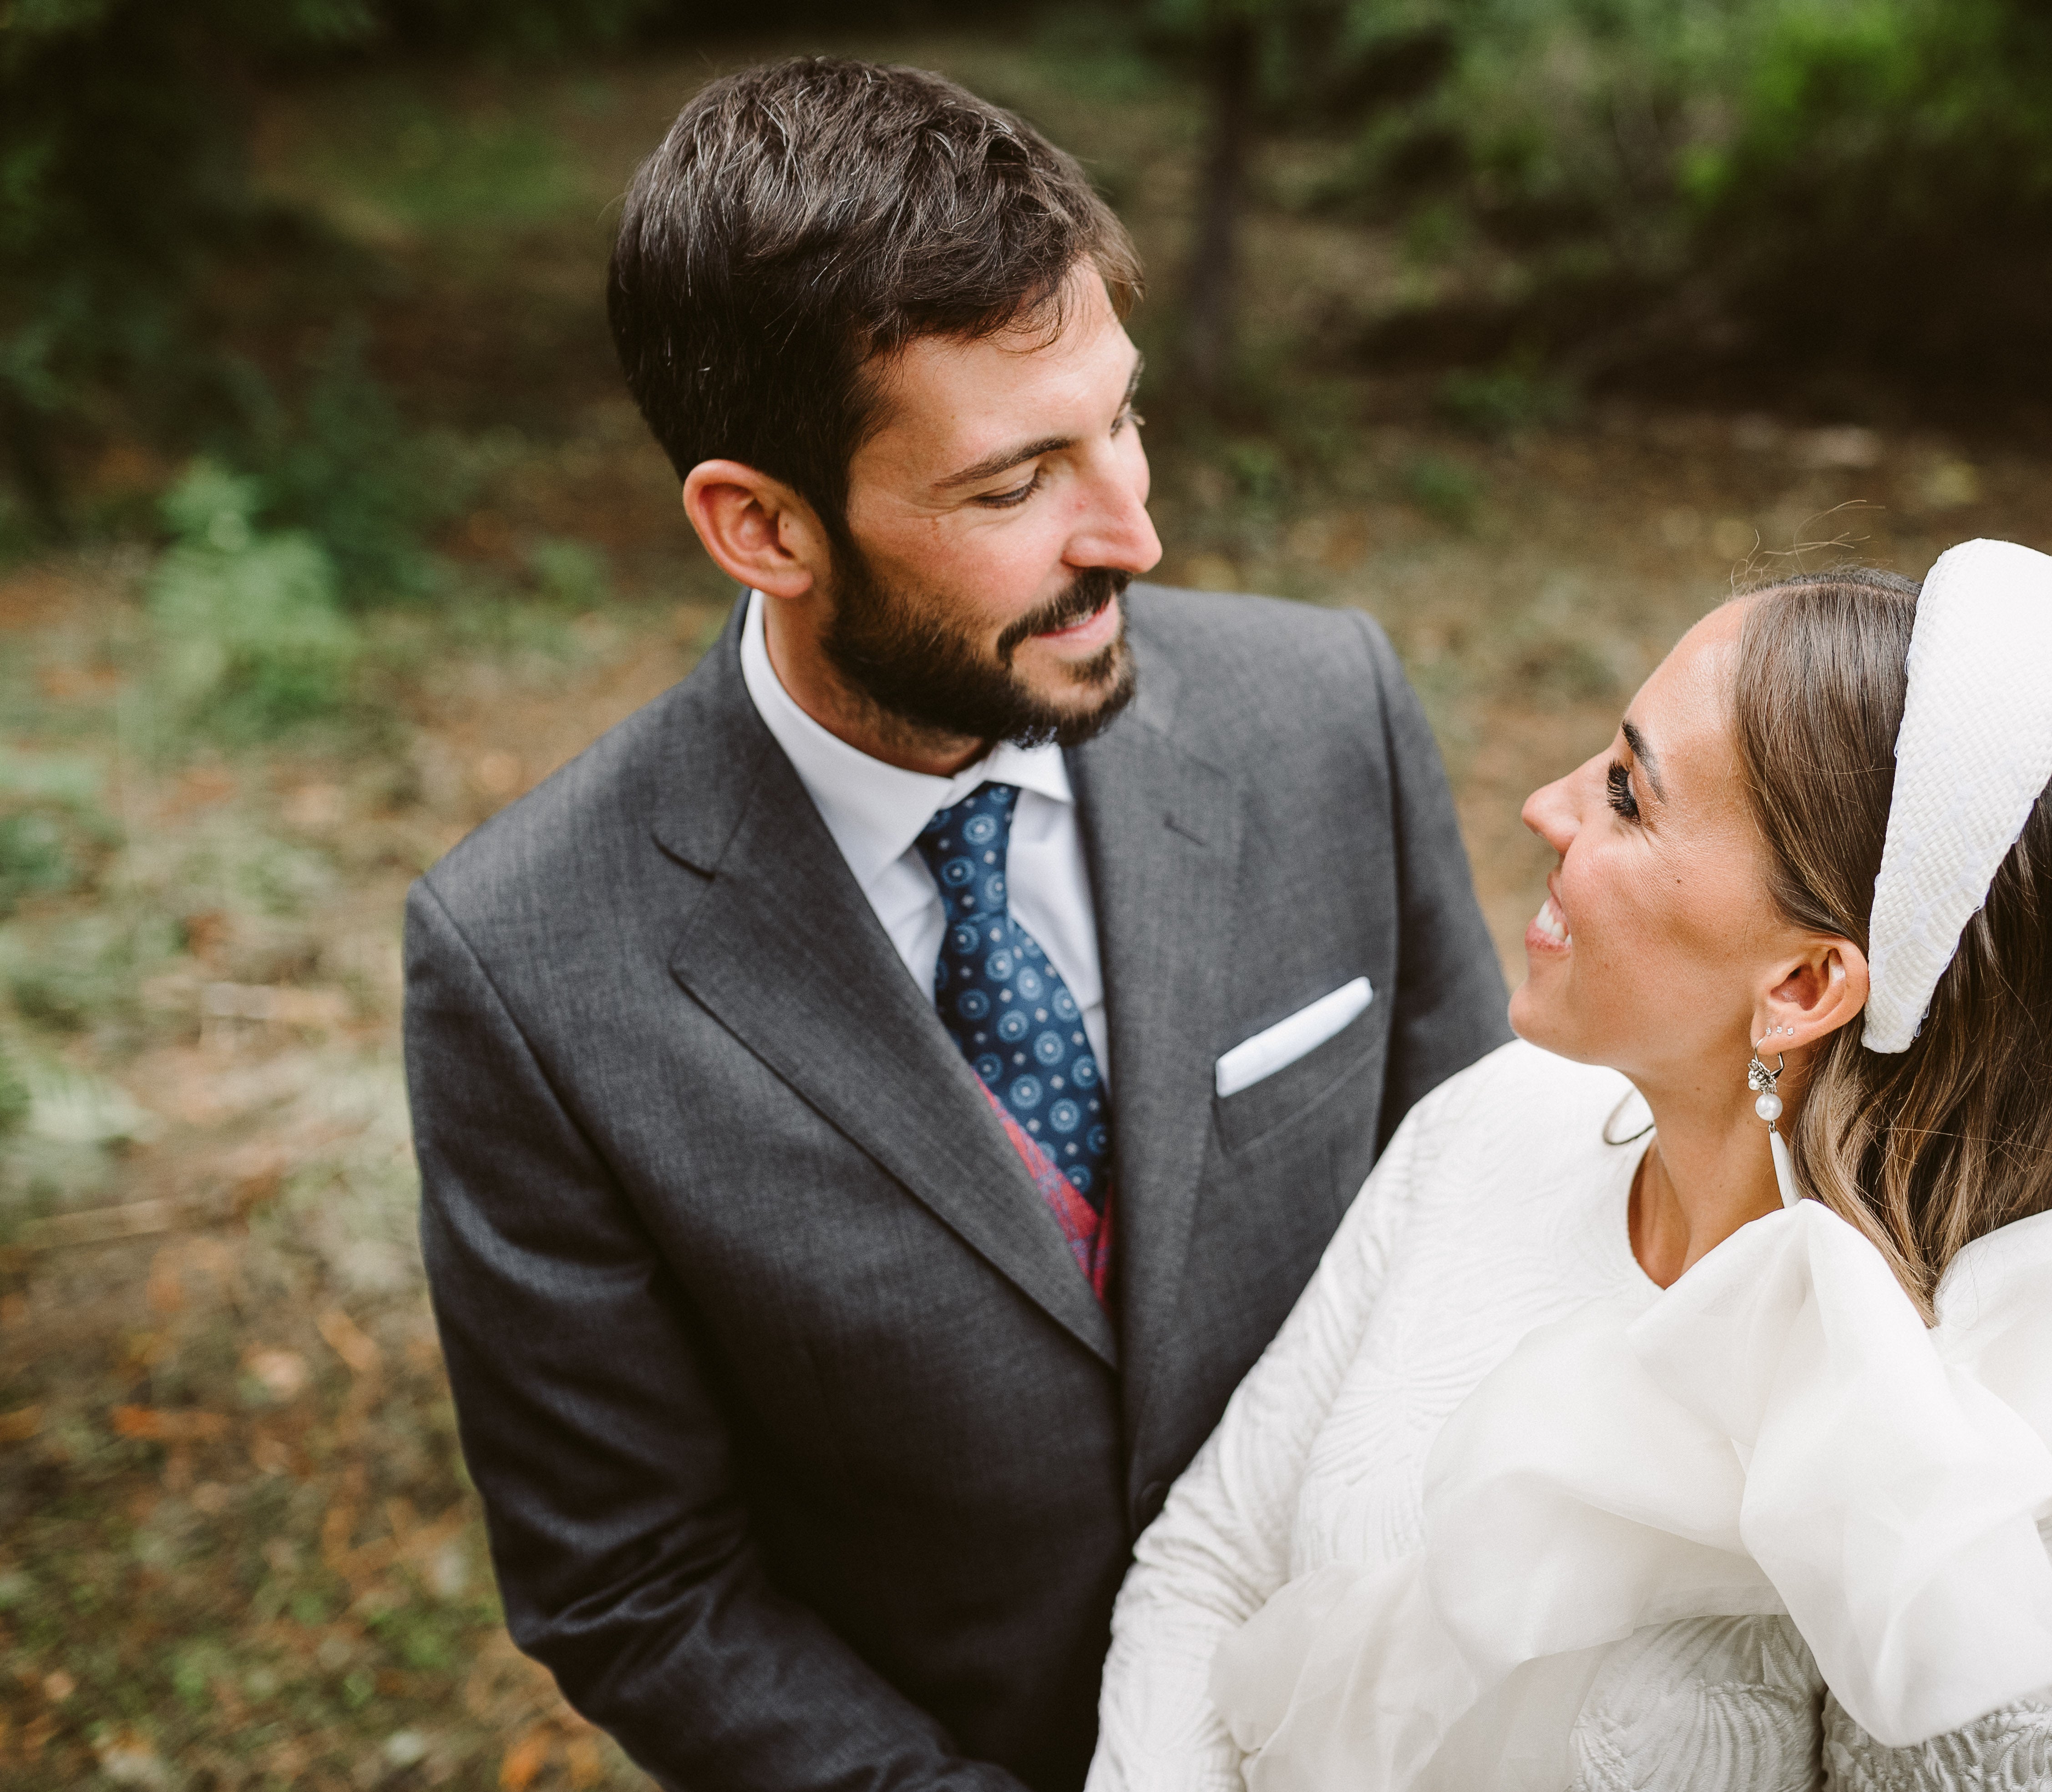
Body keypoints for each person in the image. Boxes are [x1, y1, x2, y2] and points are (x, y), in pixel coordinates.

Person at [400, 59, 1511, 1792]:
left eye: (1121, 418)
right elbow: (637, 1581)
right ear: (761, 523)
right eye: (1014, 488)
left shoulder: (1328, 715)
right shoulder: (527, 961)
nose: (1132, 529)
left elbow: (1495, 1233)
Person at [1088, 543, 2052, 1790]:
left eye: (1625, 792)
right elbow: (1207, 1569)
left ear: (1800, 984)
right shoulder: (1492, 1125)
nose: (1544, 805)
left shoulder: (1924, 1482)